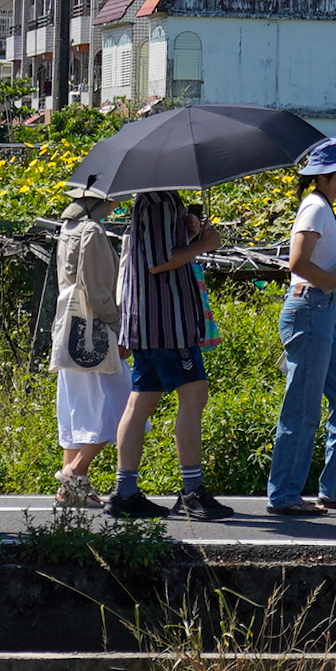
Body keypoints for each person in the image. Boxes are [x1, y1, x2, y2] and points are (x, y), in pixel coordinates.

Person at [270, 138, 336, 516]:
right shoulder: (315, 207)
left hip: (321, 311)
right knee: (302, 409)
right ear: (327, 175)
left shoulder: (322, 206)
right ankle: (283, 495)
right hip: (310, 308)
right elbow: (297, 262)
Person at [111, 190, 231, 520]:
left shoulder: (153, 200)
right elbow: (158, 262)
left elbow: (161, 250)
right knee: (194, 396)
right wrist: (203, 245)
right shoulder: (160, 201)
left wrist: (188, 234)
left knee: (141, 402)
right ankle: (191, 491)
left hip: (148, 322)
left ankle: (125, 491)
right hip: (168, 321)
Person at [49, 184, 127, 510]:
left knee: (77, 410)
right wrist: (118, 325)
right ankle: (73, 472)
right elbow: (96, 291)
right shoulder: (93, 231)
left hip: (69, 329)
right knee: (121, 406)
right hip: (94, 332)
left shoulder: (68, 228)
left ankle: (71, 490)